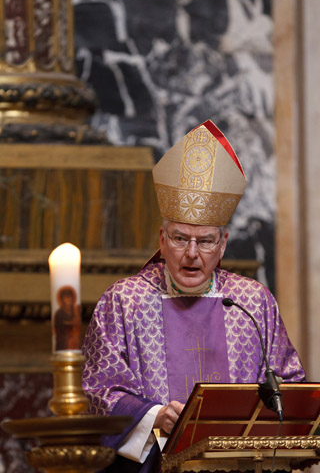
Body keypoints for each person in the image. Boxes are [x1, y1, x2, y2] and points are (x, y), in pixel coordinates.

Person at [82, 120, 306, 472]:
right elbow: (98, 392)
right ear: (161, 238)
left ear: (223, 244)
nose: (191, 253)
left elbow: (288, 386)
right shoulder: (123, 301)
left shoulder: (253, 301)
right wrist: (156, 417)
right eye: (179, 238)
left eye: (205, 241)